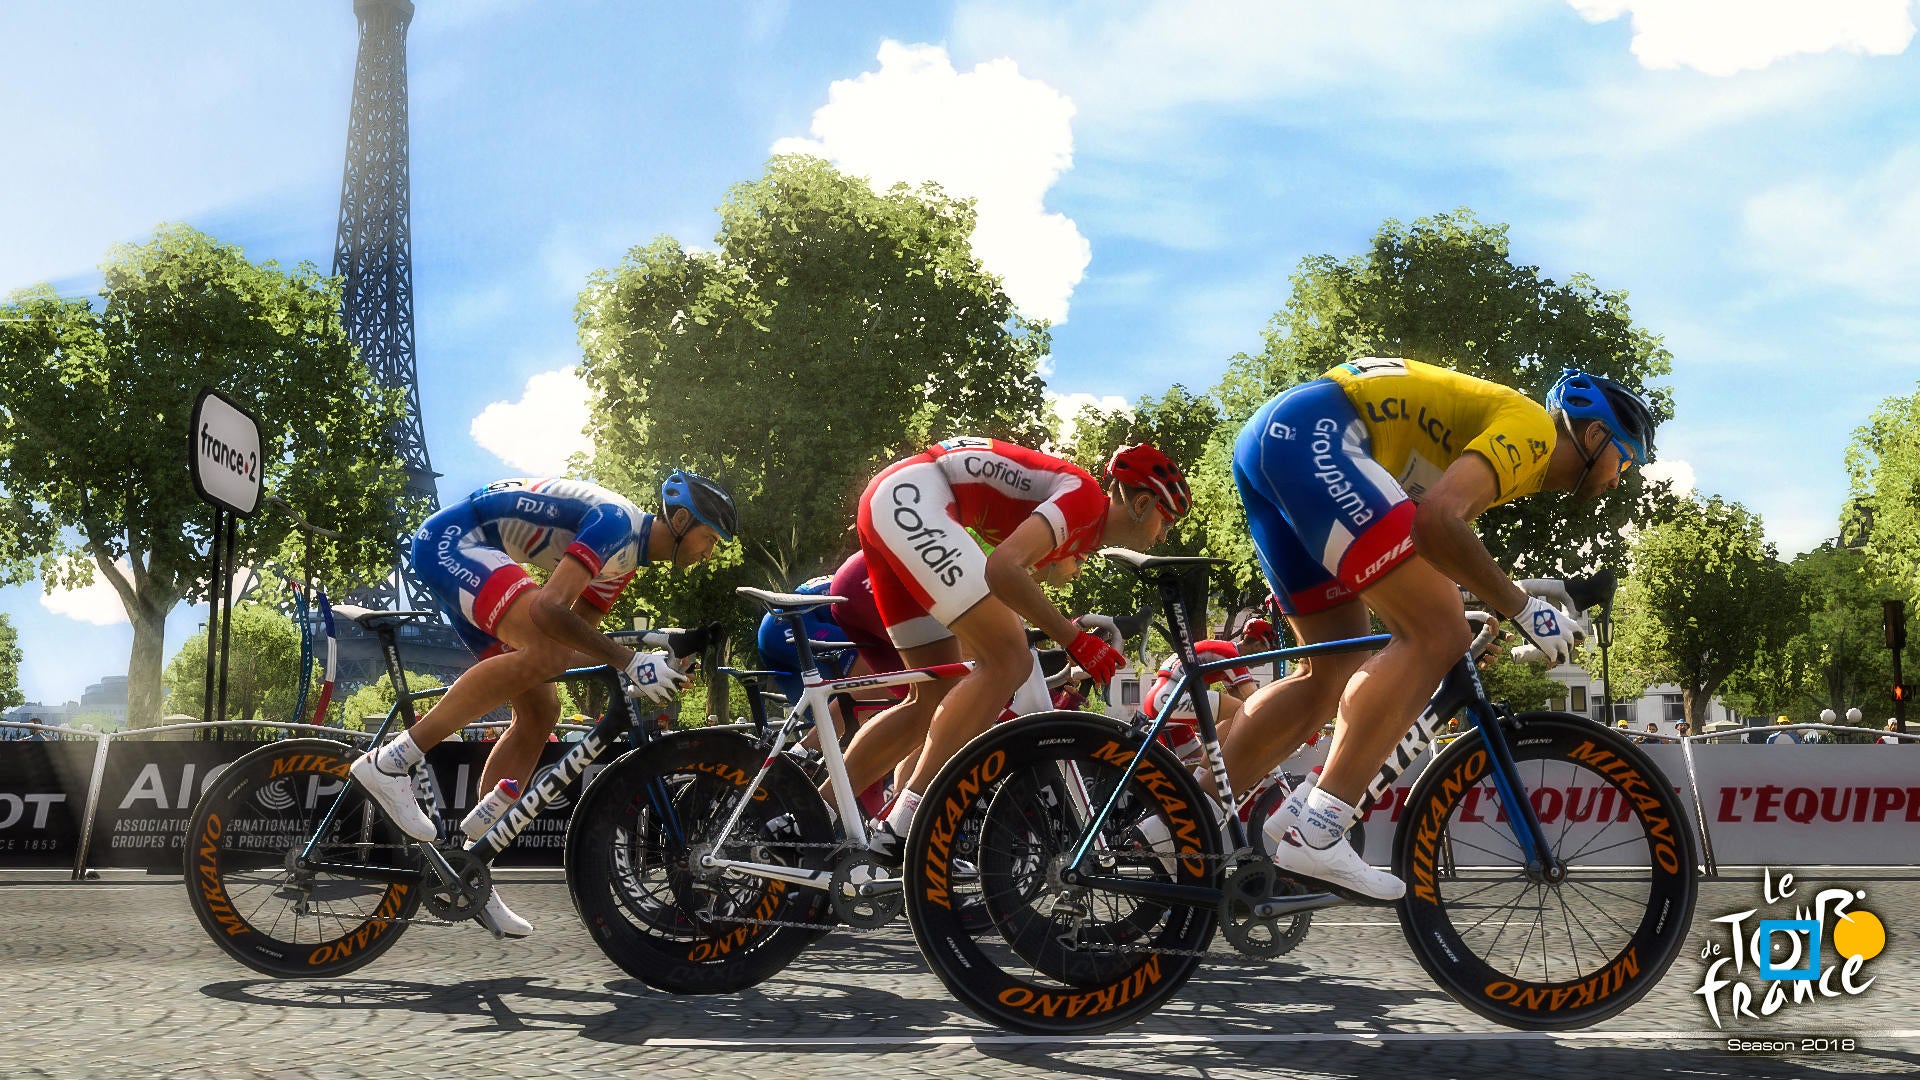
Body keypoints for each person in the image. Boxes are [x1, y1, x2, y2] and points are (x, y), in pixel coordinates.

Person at [1219, 358, 1656, 902]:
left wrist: (1487, 604)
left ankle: (1175, 820)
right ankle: (1319, 828)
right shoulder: (1536, 435)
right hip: (1319, 436)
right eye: (1625, 459)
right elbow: (1438, 523)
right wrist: (1522, 608)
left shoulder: (1509, 443)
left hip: (1279, 438)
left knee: (1329, 672)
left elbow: (1430, 544)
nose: (1621, 478)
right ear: (1594, 434)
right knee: (1435, 633)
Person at [349, 471, 737, 936]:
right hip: (454, 541)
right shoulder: (616, 524)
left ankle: (472, 866)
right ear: (678, 519)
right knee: (545, 653)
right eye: (709, 538)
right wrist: (630, 659)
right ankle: (394, 759)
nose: (709, 552)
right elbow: (549, 612)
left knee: (541, 710)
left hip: (473, 553)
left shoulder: (624, 564)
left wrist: (649, 662)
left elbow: (577, 645)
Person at [836, 438, 1189, 862]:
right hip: (913, 498)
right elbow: (1002, 569)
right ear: (1142, 503)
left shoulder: (1081, 527)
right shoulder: (1085, 500)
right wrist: (1075, 640)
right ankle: (905, 821)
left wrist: (1062, 633)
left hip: (899, 500)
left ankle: (814, 812)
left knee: (932, 696)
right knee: (1008, 661)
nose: (1164, 534)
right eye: (1165, 521)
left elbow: (1008, 586)